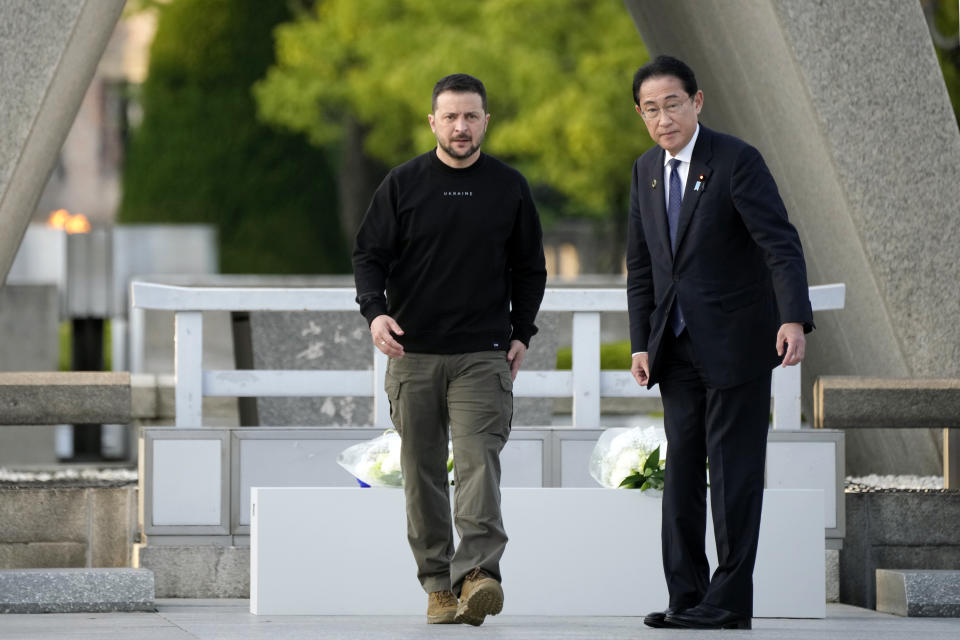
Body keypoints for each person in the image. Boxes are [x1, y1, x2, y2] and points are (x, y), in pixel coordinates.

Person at [625, 55, 814, 630]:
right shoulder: (644, 171)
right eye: (651, 109)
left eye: (673, 104)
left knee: (734, 475)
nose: (664, 118)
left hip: (736, 344)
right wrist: (640, 342)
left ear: (697, 101)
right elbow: (641, 266)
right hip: (673, 348)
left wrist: (793, 318)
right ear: (641, 114)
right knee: (681, 471)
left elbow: (779, 243)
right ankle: (687, 595)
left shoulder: (736, 161)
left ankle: (728, 601)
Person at [352, 73, 547, 626]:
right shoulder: (402, 183)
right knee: (422, 473)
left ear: (486, 120)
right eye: (451, 116)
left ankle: (479, 574)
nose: (461, 127)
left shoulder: (509, 186)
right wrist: (375, 312)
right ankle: (438, 585)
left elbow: (530, 268)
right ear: (432, 121)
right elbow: (368, 255)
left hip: (482, 355)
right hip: (411, 355)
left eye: (471, 116)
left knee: (479, 464)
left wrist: (520, 331)